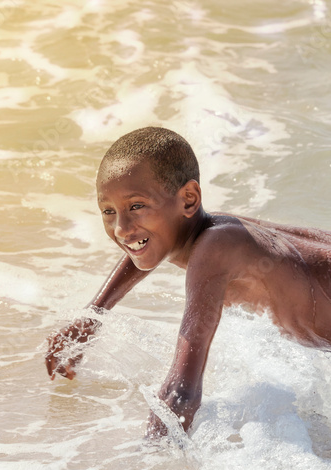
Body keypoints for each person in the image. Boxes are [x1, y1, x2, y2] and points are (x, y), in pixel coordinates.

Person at [45, 126, 331, 438]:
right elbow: (144, 249)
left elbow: (182, 391)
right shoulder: (209, 233)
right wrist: (92, 317)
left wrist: (153, 467)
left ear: (189, 199)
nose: (122, 228)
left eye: (136, 206)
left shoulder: (216, 245)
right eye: (108, 211)